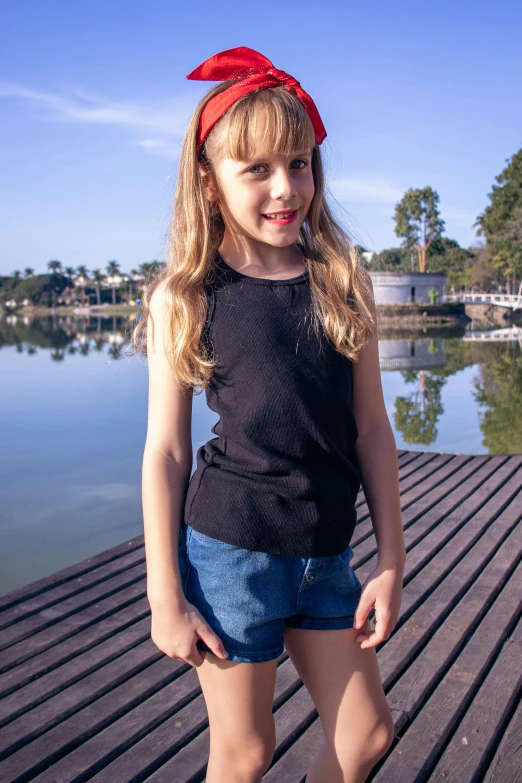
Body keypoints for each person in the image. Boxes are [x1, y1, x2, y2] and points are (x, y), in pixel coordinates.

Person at [134, 45, 406, 783]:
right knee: (247, 752)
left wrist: (390, 561)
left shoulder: (341, 281)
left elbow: (373, 430)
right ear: (210, 182)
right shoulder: (185, 296)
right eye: (256, 168)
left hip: (327, 553)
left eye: (300, 163)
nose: (286, 187)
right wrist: (165, 593)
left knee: (367, 735)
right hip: (231, 553)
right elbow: (165, 452)